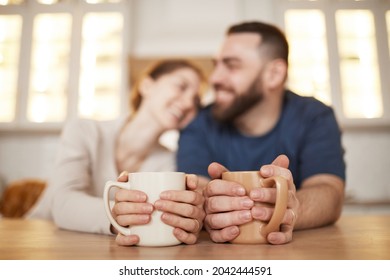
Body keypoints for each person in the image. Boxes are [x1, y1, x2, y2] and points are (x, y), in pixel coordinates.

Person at [177, 21, 346, 245]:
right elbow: (194, 186)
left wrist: (290, 208)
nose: (215, 78)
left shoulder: (314, 116)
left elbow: (329, 192)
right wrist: (204, 205)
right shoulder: (198, 123)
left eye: (232, 65)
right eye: (216, 65)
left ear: (274, 74)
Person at [26, 59, 206, 245]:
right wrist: (119, 216)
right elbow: (63, 204)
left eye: (196, 101)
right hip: (39, 241)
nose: (187, 104)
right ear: (147, 86)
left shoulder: (169, 162)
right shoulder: (83, 131)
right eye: (181, 86)